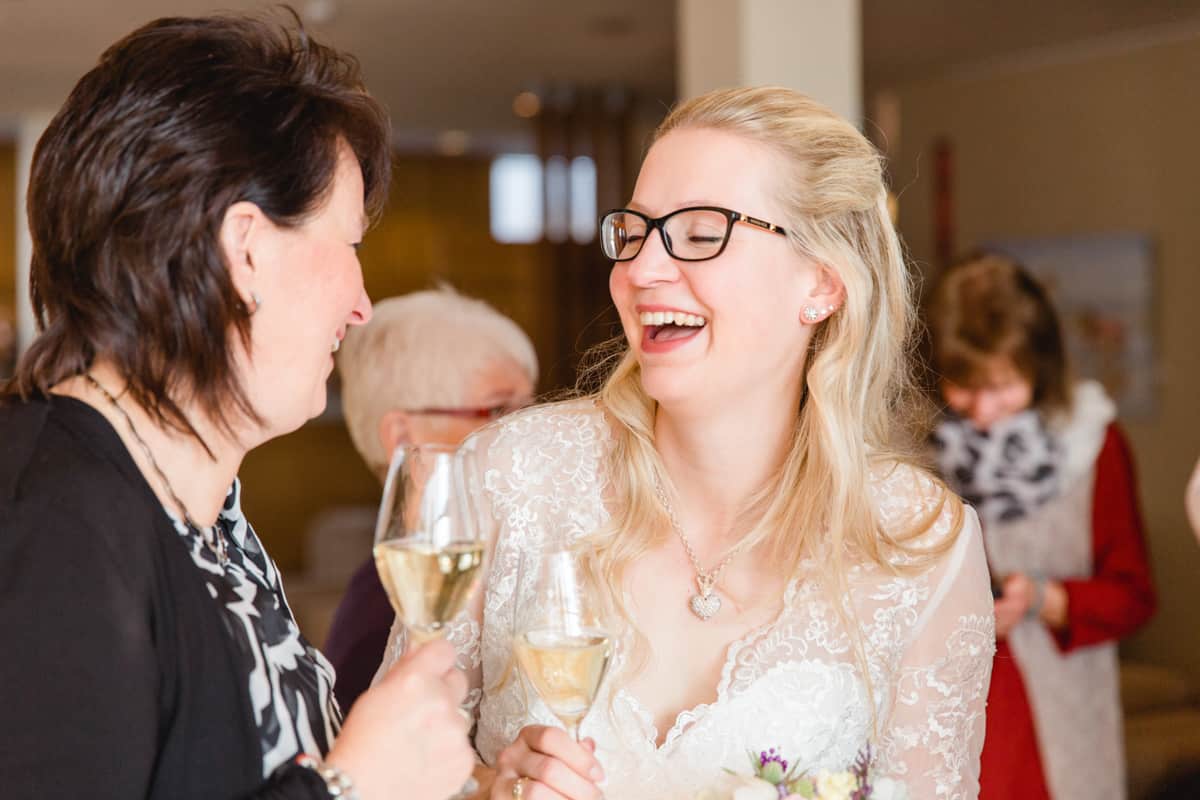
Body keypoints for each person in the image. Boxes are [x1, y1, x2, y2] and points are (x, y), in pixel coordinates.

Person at [377, 86, 996, 800]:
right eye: (634, 233)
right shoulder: (511, 476)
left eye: (702, 234)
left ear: (823, 283)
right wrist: (487, 790)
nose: (640, 271)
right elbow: (383, 773)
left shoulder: (922, 544)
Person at [0, 14, 474, 800]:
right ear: (245, 249)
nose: (363, 306)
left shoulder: (202, 514)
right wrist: (356, 788)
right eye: (350, 247)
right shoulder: (46, 528)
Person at [924, 253, 1157, 800]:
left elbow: (1134, 596)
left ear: (1039, 367)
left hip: (1060, 717)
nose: (981, 411)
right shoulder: (914, 448)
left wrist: (1042, 599)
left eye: (1001, 385)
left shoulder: (1093, 444)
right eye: (962, 384)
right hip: (943, 710)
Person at [325, 287, 537, 711]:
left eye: (531, 410)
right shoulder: (381, 619)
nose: (528, 434)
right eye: (499, 412)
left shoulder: (520, 566)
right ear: (404, 439)